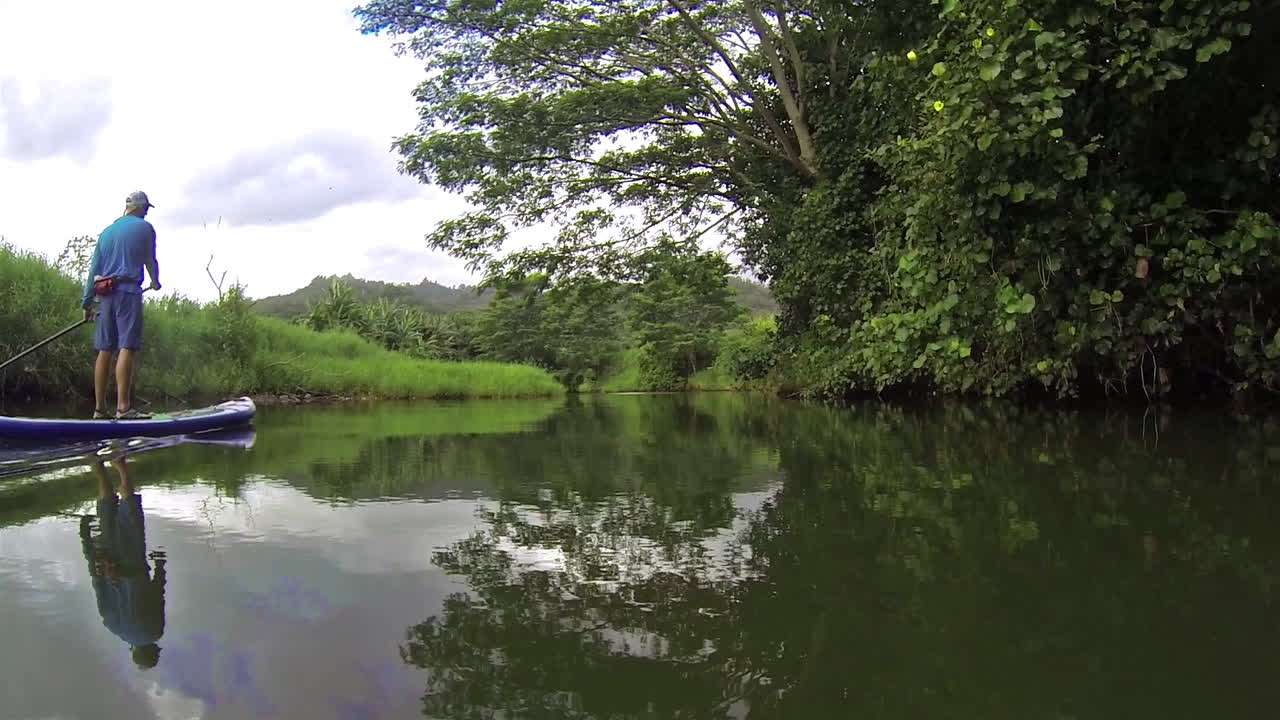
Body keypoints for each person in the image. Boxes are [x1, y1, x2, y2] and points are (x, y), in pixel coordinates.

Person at [78, 455, 167, 670]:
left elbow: (157, 595)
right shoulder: (113, 627)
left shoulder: (155, 632)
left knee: (130, 511)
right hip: (108, 563)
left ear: (153, 651)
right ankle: (97, 465)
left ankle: (120, 464)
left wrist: (160, 566)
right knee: (106, 511)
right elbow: (99, 587)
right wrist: (90, 550)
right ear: (134, 652)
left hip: (134, 562)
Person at [81, 190, 161, 420]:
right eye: (146, 208)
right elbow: (150, 259)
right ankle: (123, 408)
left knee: (105, 349)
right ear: (138, 207)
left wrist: (87, 302)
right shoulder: (145, 228)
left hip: (105, 295)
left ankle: (99, 410)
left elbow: (94, 270)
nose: (147, 212)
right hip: (128, 291)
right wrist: (155, 281)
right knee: (127, 346)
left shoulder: (107, 232)